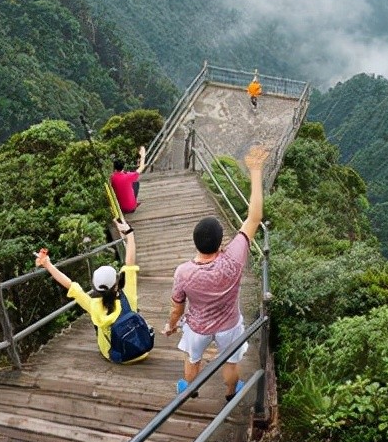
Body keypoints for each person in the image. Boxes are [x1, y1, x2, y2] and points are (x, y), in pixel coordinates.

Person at [164, 144, 269, 401]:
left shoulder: (184, 272)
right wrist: (255, 172)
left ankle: (190, 389)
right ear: (221, 243)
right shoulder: (233, 258)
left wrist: (172, 325)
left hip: (197, 327)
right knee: (231, 364)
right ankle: (231, 392)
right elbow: (254, 218)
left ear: (195, 242)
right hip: (229, 325)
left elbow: (177, 307)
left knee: (192, 359)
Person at [35, 219, 148, 362]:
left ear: (95, 287)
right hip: (142, 350)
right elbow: (129, 262)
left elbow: (70, 285)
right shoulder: (128, 294)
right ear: (117, 283)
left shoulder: (93, 305)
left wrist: (48, 264)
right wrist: (129, 234)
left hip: (115, 356)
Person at [110, 145, 147, 214]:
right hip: (131, 209)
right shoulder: (128, 176)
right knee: (136, 183)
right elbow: (141, 167)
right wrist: (143, 154)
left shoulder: (112, 177)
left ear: (114, 167)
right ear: (123, 167)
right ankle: (133, 202)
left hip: (120, 210)